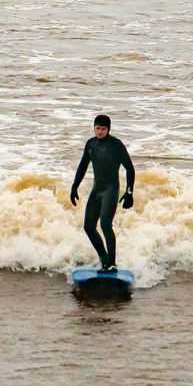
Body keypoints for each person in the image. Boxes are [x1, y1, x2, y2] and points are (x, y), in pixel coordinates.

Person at [70, 114, 135, 272]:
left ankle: (112, 263)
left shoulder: (116, 145)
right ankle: (104, 260)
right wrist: (74, 186)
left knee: (105, 224)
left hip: (110, 191)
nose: (99, 132)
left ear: (108, 129)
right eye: (97, 128)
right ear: (94, 127)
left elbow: (130, 168)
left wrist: (129, 192)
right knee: (88, 227)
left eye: (103, 129)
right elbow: (83, 166)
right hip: (96, 190)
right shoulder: (91, 144)